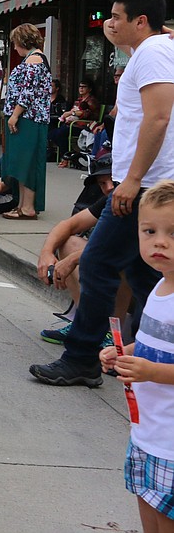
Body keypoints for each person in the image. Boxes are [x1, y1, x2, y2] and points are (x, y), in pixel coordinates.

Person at [32, 0, 174, 386]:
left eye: (116, 16)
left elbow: (158, 118)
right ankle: (154, 349)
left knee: (97, 263)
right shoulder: (155, 48)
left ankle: (81, 359)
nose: (109, 22)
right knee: (147, 272)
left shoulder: (153, 53)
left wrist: (131, 181)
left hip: (147, 186)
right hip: (149, 183)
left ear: (141, 21)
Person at [99, 181, 174, 533]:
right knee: (145, 504)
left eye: (173, 233)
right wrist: (123, 353)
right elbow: (151, 343)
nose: (159, 241)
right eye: (150, 231)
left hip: (170, 441)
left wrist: (150, 371)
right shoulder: (159, 287)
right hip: (147, 430)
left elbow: (156, 364)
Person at [35, 161, 130, 344]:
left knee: (123, 258)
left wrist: (71, 260)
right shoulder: (109, 200)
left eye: (112, 180)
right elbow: (68, 225)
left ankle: (112, 337)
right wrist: (46, 253)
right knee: (68, 242)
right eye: (102, 183)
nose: (109, 187)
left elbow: (122, 246)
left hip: (151, 286)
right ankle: (83, 322)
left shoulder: (138, 197)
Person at [1, 24, 52, 219]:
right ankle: (22, 205)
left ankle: (28, 207)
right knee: (22, 163)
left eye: (15, 43)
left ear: (23, 40)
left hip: (28, 118)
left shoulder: (34, 61)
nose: (14, 47)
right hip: (27, 117)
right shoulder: (34, 59)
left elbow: (28, 92)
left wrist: (15, 115)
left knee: (27, 163)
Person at [52, 80, 101, 166]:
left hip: (84, 126)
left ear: (89, 89)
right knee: (53, 133)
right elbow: (73, 110)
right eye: (80, 86)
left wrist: (72, 113)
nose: (81, 88)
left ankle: (66, 158)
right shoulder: (78, 100)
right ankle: (67, 155)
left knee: (60, 133)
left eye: (84, 87)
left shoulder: (91, 101)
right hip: (73, 123)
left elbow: (86, 114)